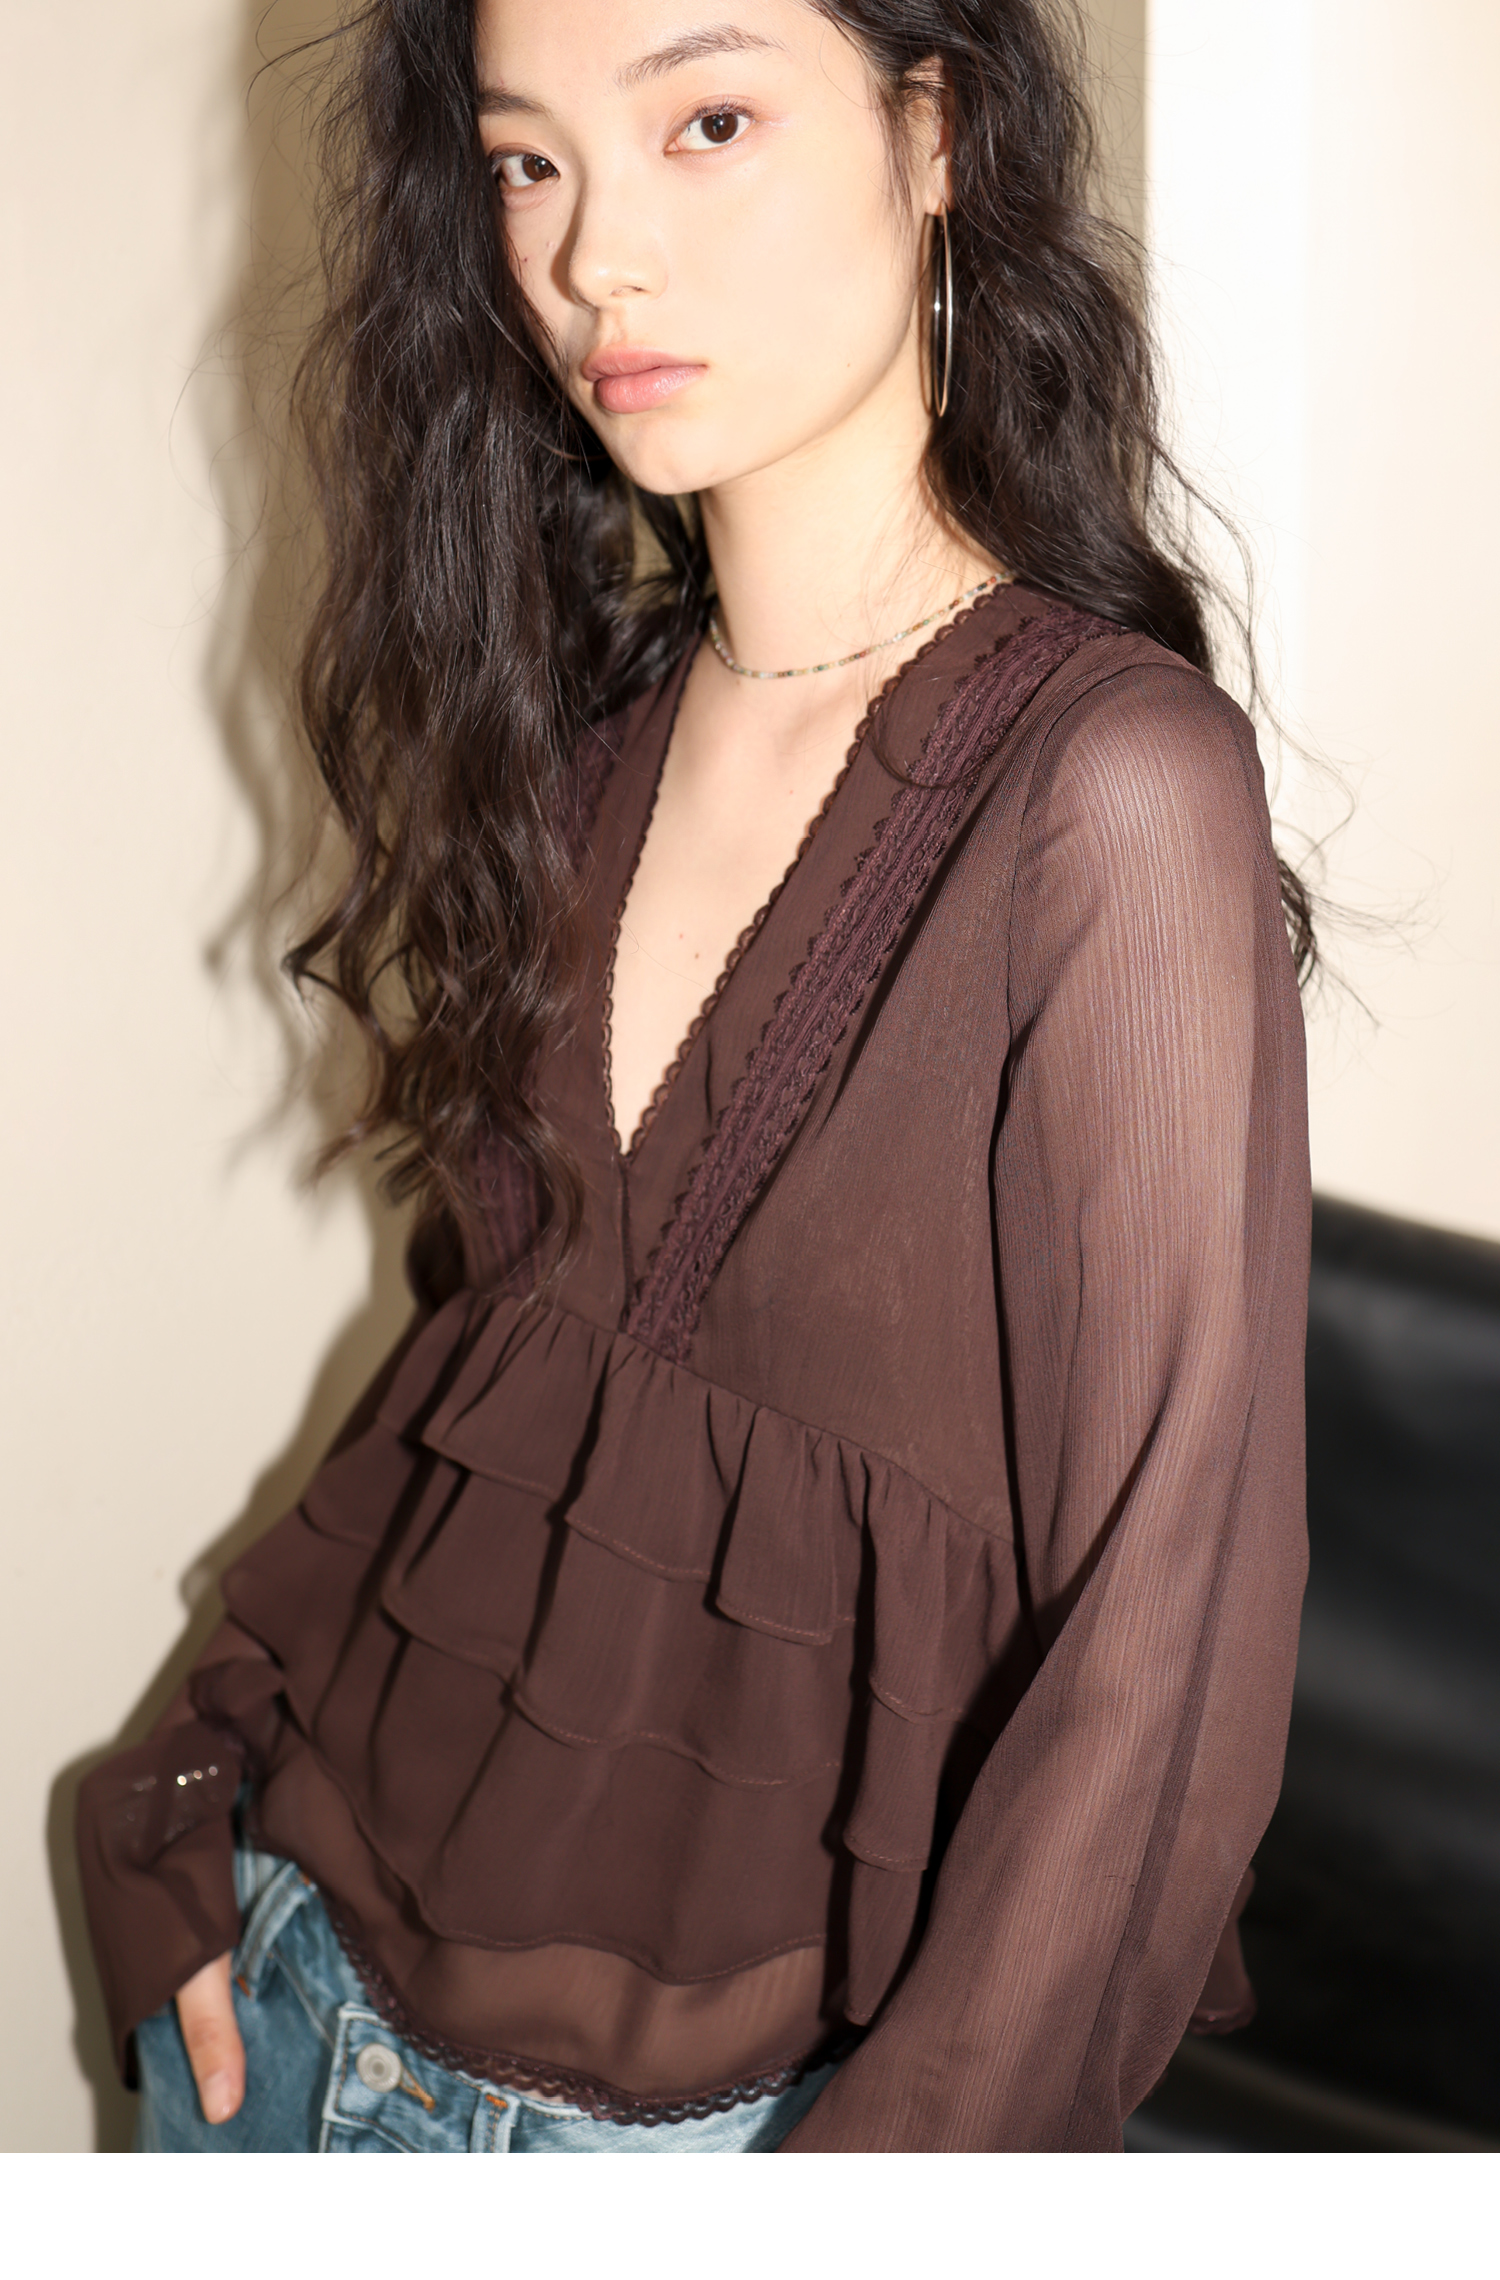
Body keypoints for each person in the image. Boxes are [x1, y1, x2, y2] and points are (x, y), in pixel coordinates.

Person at [76, 0, 1313, 2154]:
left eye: (708, 121)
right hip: (275, 2018)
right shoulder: (580, 735)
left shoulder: (1112, 795)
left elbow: (1162, 1661)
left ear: (935, 130)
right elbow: (491, 1384)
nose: (594, 257)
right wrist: (186, 1775)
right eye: (527, 161)